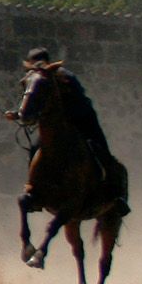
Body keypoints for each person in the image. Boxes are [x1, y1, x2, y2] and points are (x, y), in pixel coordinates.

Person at [16, 48, 123, 190]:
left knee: (99, 147)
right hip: (58, 126)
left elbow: (79, 100)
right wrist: (17, 114)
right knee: (35, 149)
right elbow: (34, 104)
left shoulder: (65, 76)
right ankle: (33, 185)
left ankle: (112, 189)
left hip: (81, 118)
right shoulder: (34, 82)